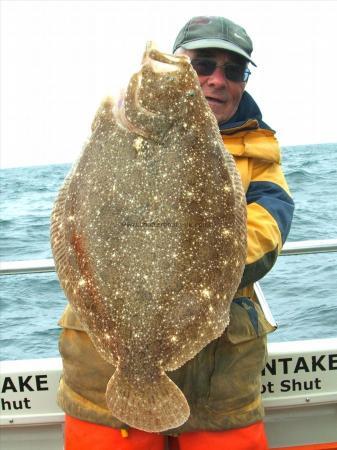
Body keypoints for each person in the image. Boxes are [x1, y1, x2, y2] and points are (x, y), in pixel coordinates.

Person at [58, 16, 294, 450]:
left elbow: (269, 227)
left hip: (219, 379)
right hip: (103, 371)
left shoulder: (259, 155)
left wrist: (190, 267)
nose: (216, 80)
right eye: (202, 65)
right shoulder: (115, 128)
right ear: (185, 69)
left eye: (233, 71)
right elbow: (81, 212)